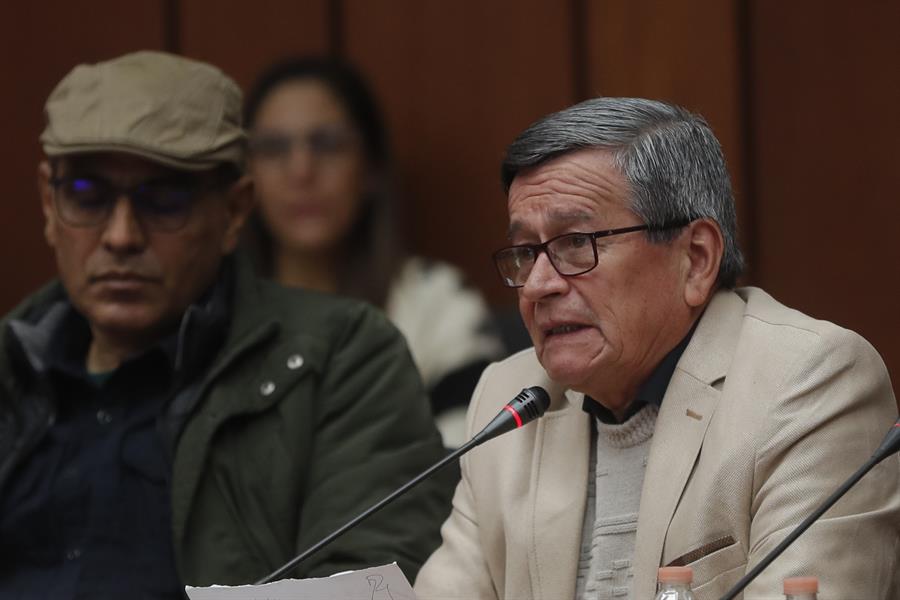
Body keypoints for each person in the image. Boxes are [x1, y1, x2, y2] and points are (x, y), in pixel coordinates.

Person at [0, 50, 455, 598]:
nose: (120, 236)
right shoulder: (11, 368)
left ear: (235, 211)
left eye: (163, 199)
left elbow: (364, 581)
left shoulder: (341, 355)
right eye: (86, 196)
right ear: (49, 206)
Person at [413, 97, 900, 599]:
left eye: (576, 243)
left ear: (695, 259)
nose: (537, 285)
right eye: (525, 252)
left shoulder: (809, 381)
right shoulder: (511, 398)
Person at [243, 57, 505, 447]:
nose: (300, 170)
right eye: (273, 148)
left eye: (327, 144)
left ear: (371, 167)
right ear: (246, 176)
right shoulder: (208, 311)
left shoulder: (437, 303)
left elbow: (466, 466)